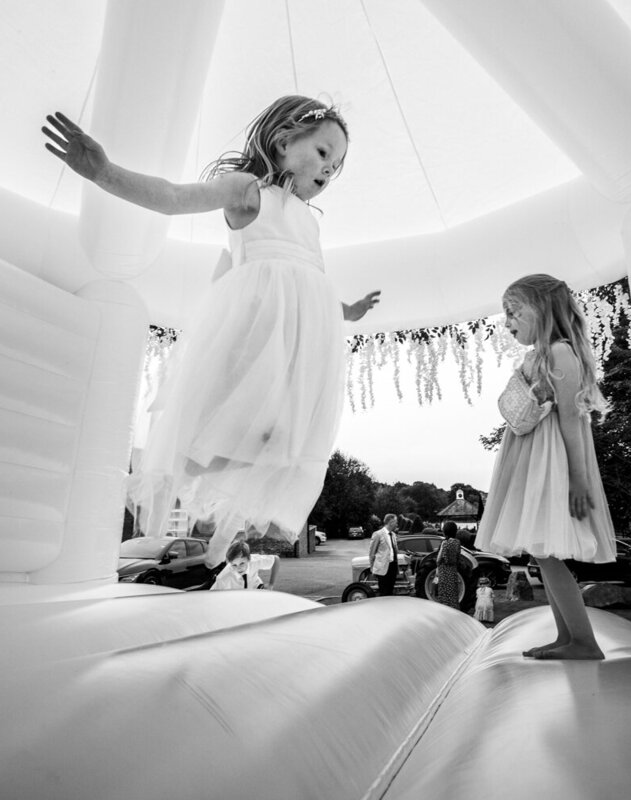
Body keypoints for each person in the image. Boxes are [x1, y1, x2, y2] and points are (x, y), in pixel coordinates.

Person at [42, 97, 381, 566]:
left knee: (281, 441)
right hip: (258, 330)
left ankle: (221, 523)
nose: (329, 170)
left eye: (337, 165)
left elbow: (312, 282)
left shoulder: (307, 220)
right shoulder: (249, 191)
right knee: (233, 422)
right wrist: (105, 173)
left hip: (299, 346)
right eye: (324, 153)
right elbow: (175, 197)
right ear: (284, 140)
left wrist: (347, 310)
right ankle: (180, 472)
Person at [475, 274, 615, 660]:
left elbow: (571, 420)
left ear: (540, 308)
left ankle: (584, 641)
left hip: (550, 463)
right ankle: (567, 636)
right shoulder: (541, 355)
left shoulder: (559, 353)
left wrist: (578, 479)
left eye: (513, 311)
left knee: (548, 552)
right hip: (533, 457)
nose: (507, 322)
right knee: (541, 552)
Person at [209, 540, 281, 591]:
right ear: (229, 563)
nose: (238, 568)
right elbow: (212, 595)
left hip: (256, 587)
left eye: (242, 563)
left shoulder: (255, 561)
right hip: (236, 595)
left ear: (248, 559)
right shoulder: (223, 578)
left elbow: (276, 560)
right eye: (234, 565)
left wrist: (271, 584)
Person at [369, 514, 400, 597]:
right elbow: (372, 553)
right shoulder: (378, 534)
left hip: (393, 566)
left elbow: (394, 551)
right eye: (396, 522)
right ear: (391, 522)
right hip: (382, 568)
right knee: (383, 592)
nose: (397, 524)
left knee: (390, 591)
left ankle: (389, 608)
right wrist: (372, 567)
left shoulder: (393, 535)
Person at [434, 521, 463, 609]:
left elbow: (438, 559)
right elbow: (458, 557)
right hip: (453, 570)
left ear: (445, 531)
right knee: (453, 594)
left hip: (444, 571)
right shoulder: (457, 542)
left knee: (444, 593)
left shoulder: (445, 543)